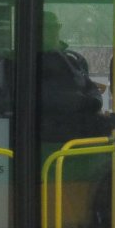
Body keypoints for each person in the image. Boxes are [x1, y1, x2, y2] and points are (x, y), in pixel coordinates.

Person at [38, 11, 105, 141]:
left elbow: (91, 87)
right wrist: (86, 103)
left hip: (78, 129)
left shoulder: (73, 60)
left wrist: (95, 101)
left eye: (55, 27)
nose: (52, 31)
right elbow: (52, 96)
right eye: (47, 27)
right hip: (53, 133)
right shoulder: (31, 62)